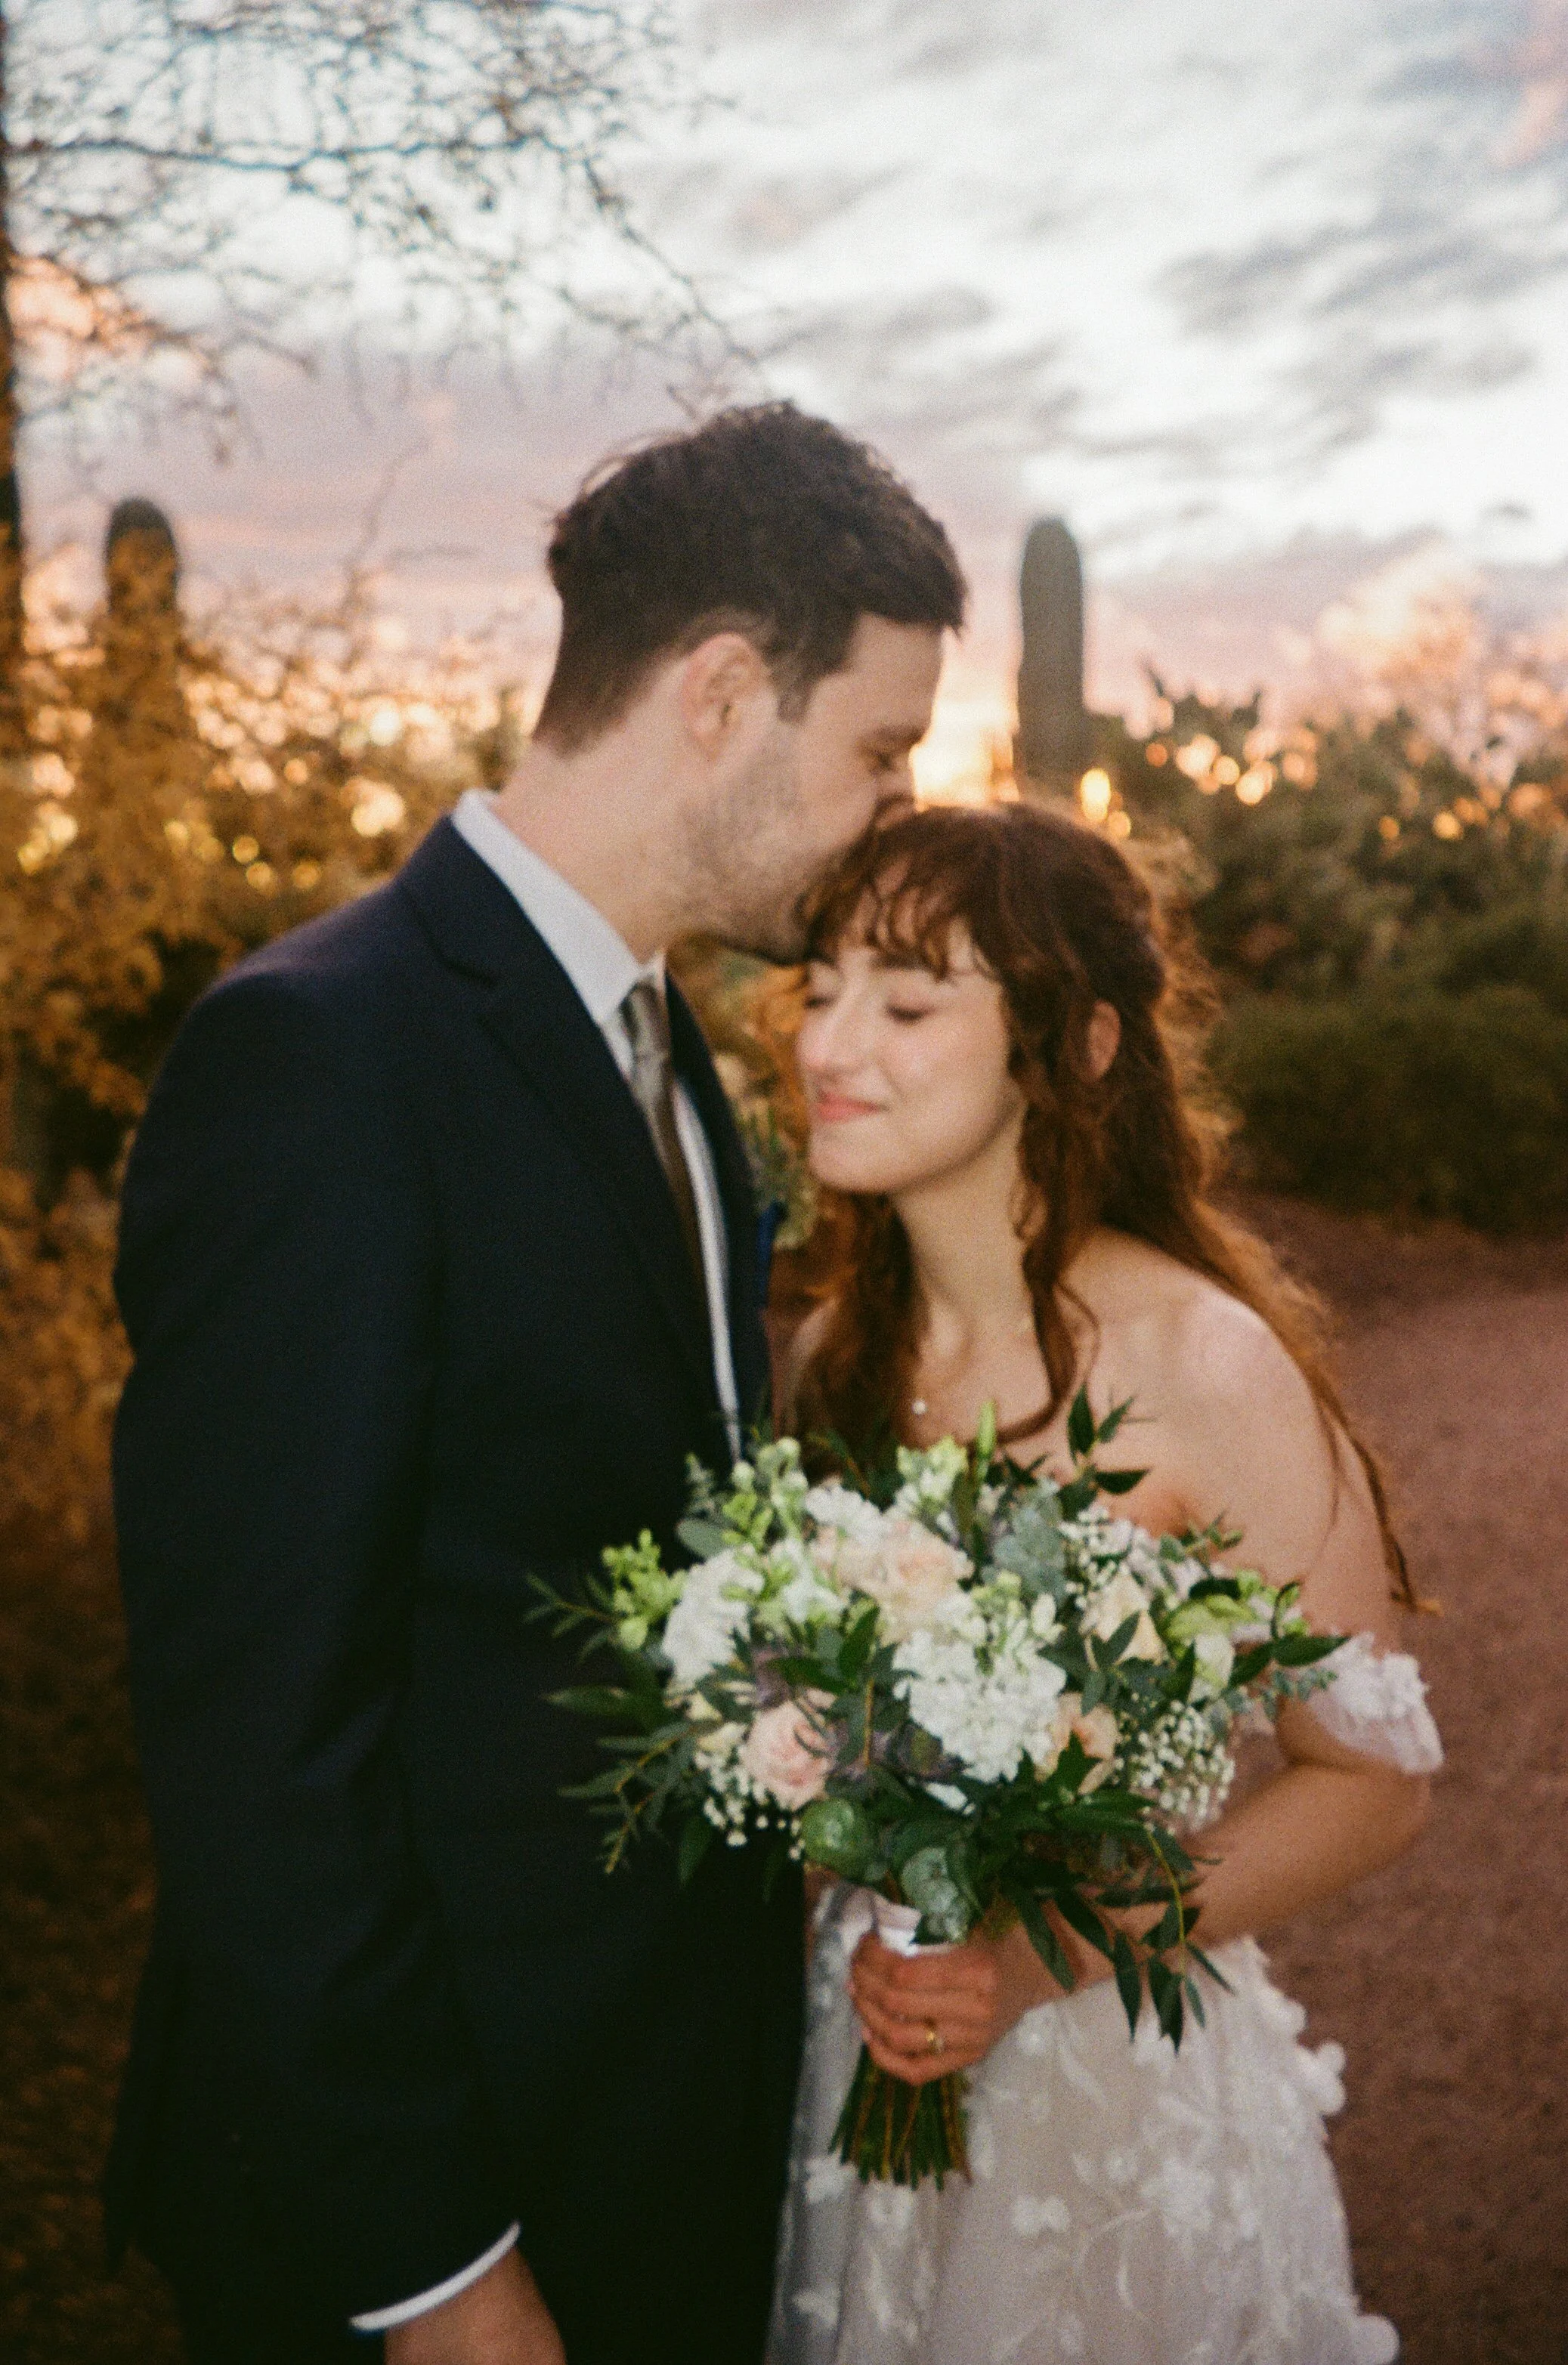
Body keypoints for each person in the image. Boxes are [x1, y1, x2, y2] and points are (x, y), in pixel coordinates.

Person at [105, 403, 966, 2365]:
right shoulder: (323, 1061)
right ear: (726, 692)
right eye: (878, 752)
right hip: (425, 2193)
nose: (892, 810)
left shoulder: (666, 1060)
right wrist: (440, 2273)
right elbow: (258, 1742)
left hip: (648, 2140)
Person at [768, 802, 1441, 2365]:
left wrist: (1024, 1965)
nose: (828, 1039)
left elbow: (1376, 1778)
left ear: (1069, 1047)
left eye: (907, 998)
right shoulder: (825, 1365)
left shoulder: (1201, 1360)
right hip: (855, 2063)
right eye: (819, 984)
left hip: (1106, 2097)